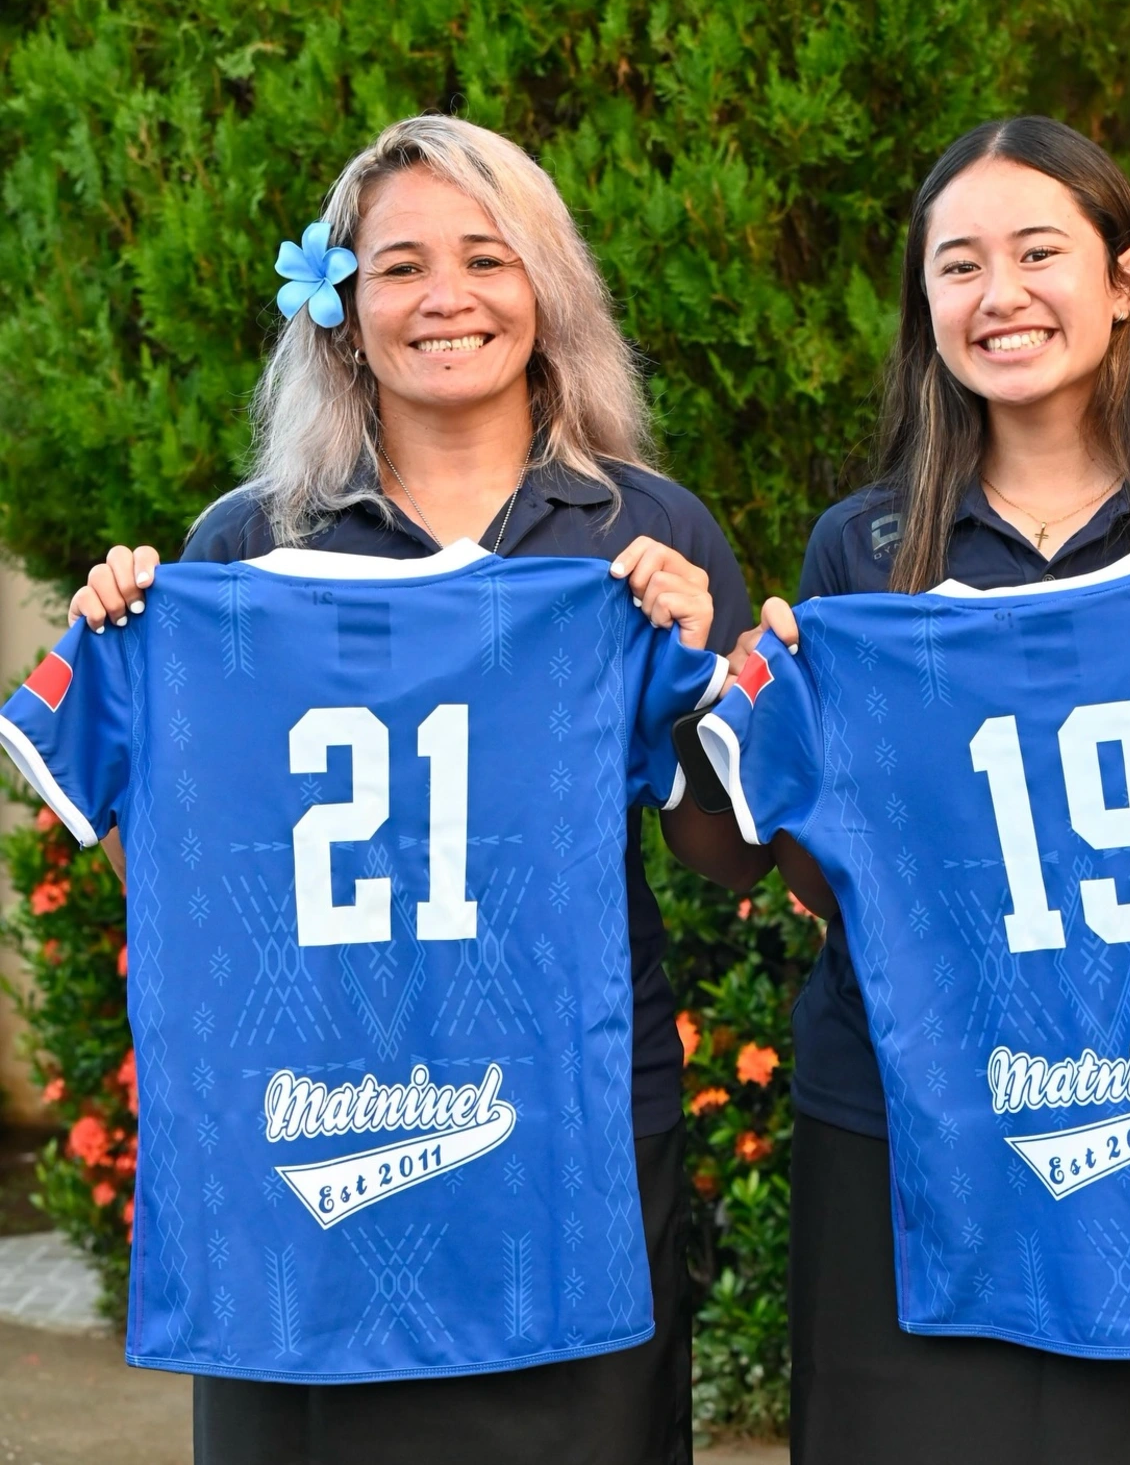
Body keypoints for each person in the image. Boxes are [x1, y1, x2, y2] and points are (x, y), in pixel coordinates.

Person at [69, 114, 762, 1465]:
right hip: (312, 1132)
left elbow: (727, 858)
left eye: (486, 258)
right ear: (340, 311)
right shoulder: (245, 545)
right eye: (399, 267)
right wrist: (129, 660)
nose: (446, 298)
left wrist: (699, 680)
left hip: (571, 1121)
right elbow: (177, 875)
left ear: (546, 290)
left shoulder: (645, 532)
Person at [719, 116, 1130, 1464]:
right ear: (925, 304)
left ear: (1127, 280)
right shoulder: (863, 546)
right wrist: (773, 704)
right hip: (904, 1110)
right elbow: (828, 887)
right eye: (958, 265)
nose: (1000, 295)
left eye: (1040, 252)